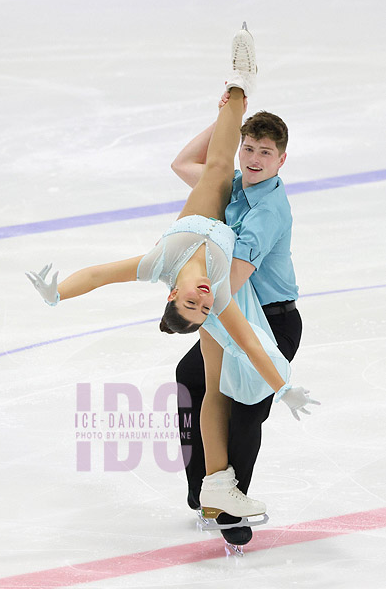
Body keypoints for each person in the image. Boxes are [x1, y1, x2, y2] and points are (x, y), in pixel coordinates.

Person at [26, 25, 317, 524]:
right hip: (236, 290)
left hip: (237, 276)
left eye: (192, 303)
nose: (201, 298)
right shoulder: (217, 292)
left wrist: (58, 292)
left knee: (217, 167)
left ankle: (241, 81)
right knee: (202, 383)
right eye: (201, 307)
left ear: (170, 297)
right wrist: (282, 383)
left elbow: (98, 274)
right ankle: (214, 487)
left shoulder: (165, 260)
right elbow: (244, 339)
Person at [173, 93, 309, 547]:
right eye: (247, 147)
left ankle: (232, 504)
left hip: (269, 319)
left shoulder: (267, 210)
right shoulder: (237, 184)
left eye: (264, 153)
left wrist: (188, 286)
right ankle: (205, 487)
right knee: (191, 378)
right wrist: (225, 118)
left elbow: (230, 281)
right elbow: (186, 163)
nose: (253, 158)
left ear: (281, 160)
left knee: (244, 411)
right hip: (237, 310)